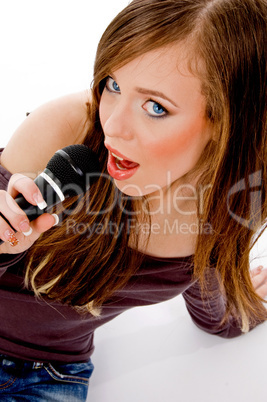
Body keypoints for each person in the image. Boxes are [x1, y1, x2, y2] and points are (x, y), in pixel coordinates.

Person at [0, 0, 267, 400]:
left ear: (227, 120)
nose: (113, 127)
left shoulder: (226, 202)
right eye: (114, 84)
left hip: (43, 371)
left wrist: (243, 306)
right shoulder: (64, 128)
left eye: (155, 107)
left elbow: (213, 297)